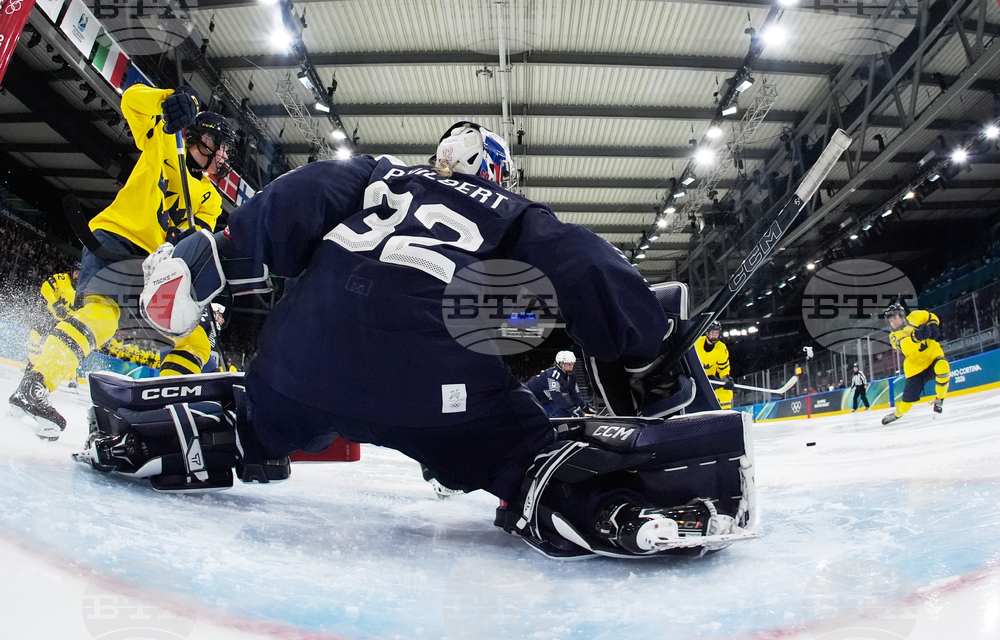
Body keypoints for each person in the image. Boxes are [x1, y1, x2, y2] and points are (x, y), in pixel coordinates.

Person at [85, 120, 755, 558]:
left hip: (306, 354)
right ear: (493, 168)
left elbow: (298, 197)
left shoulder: (378, 176)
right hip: (438, 391)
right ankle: (610, 505)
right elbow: (582, 269)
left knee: (259, 415)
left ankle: (149, 434)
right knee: (521, 453)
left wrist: (218, 251)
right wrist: (642, 345)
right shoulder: (515, 215)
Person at [7, 83, 234, 440]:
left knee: (196, 342)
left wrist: (183, 242)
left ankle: (162, 415)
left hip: (155, 268)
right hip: (118, 239)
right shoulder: (163, 137)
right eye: (219, 146)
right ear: (199, 137)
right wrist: (170, 100)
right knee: (102, 315)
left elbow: (196, 242)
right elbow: (130, 100)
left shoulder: (210, 197)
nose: (222, 156)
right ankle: (34, 387)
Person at [881, 302, 949, 425]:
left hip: (933, 357)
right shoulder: (893, 336)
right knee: (907, 403)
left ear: (902, 315)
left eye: (895, 318)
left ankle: (939, 399)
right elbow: (905, 346)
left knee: (943, 367)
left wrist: (934, 324)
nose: (893, 323)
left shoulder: (916, 316)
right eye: (891, 321)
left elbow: (931, 316)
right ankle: (897, 414)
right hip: (915, 369)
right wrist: (915, 337)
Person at [524, 351, 593, 417]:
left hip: (546, 397)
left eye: (572, 364)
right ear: (561, 363)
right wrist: (571, 409)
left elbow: (575, 394)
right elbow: (556, 396)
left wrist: (584, 407)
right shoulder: (554, 375)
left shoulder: (571, 376)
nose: (571, 366)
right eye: (569, 364)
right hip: (531, 395)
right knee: (558, 414)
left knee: (564, 413)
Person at [694, 321, 734, 409]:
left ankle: (725, 416)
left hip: (710, 379)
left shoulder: (721, 348)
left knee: (726, 392)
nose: (714, 335)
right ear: (707, 333)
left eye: (716, 333)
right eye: (712, 333)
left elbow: (723, 369)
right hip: (693, 378)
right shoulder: (696, 343)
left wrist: (727, 380)